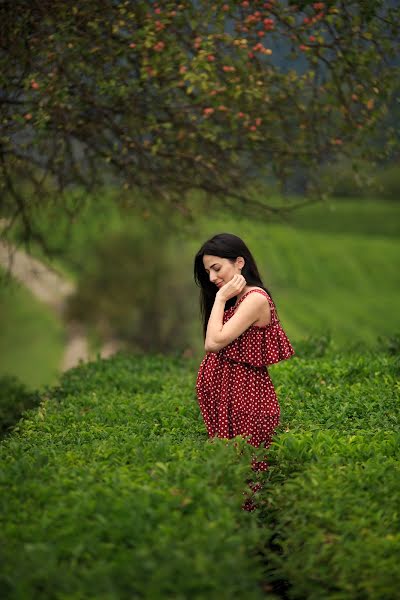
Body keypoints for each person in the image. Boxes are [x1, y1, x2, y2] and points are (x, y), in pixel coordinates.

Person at [194, 233, 295, 511]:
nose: (213, 278)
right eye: (208, 272)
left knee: (246, 477)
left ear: (239, 262)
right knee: (229, 474)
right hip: (227, 400)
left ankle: (252, 541)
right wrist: (222, 297)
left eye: (217, 269)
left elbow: (213, 342)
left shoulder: (254, 298)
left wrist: (220, 298)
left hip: (246, 400)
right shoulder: (233, 299)